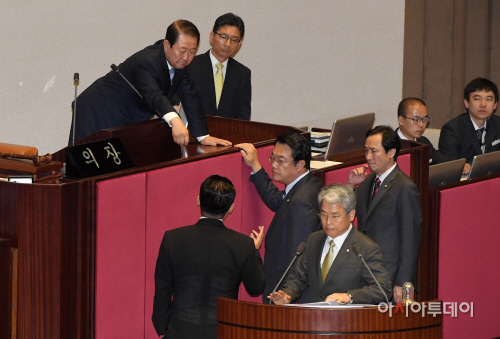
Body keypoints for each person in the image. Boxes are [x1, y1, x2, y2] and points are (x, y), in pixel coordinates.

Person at [69, 20, 231, 147]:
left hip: (125, 118)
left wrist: (203, 136)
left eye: (192, 51)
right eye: (182, 51)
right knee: (84, 171)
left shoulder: (180, 65)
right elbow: (153, 95)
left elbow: (191, 97)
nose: (186, 57)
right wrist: (175, 121)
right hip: (96, 112)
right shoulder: (146, 62)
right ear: (167, 45)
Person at [152, 175, 266, 339]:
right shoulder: (243, 245)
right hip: (223, 332)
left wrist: (163, 328)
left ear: (199, 200)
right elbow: (256, 288)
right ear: (231, 208)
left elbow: (162, 290)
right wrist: (254, 251)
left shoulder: (173, 239)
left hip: (179, 332)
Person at [235, 133, 324, 303]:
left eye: (281, 161)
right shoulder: (309, 184)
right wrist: (255, 165)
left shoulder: (301, 204)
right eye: (273, 158)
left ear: (300, 165)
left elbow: (296, 261)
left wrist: (285, 297)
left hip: (287, 299)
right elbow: (278, 201)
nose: (274, 165)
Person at [270, 184, 391, 305]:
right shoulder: (314, 240)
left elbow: (382, 289)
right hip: (314, 318)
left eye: (335, 216)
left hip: (348, 319)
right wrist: (287, 294)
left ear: (351, 215)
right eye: (323, 215)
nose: (328, 222)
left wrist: (349, 296)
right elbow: (299, 277)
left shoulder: (365, 247)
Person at [346, 126, 422, 303]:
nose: (368, 157)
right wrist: (350, 186)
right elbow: (346, 211)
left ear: (391, 152)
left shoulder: (405, 187)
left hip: (389, 274)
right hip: (365, 271)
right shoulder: (367, 181)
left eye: (374, 151)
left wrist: (402, 282)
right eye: (366, 151)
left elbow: (410, 239)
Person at [188, 13, 251, 120]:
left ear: (239, 45)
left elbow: (243, 116)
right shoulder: (191, 65)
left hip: (227, 135)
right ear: (212, 37)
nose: (228, 44)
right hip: (194, 133)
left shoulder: (242, 74)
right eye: (223, 37)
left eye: (234, 40)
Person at [439, 77, 500, 174]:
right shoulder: (452, 130)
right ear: (466, 103)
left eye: (488, 99)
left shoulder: (498, 124)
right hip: (465, 182)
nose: (483, 104)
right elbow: (448, 166)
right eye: (477, 99)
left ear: (495, 105)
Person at [396, 97, 449, 164]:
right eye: (416, 119)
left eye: (425, 119)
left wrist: (459, 165)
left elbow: (441, 160)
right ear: (401, 120)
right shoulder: (389, 144)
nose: (421, 124)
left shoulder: (423, 141)